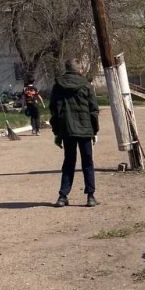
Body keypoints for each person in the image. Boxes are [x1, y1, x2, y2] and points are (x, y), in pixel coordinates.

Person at [49, 59, 100, 208]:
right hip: (85, 130)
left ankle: (63, 196)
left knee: (68, 162)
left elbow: (54, 110)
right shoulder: (86, 85)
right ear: (79, 69)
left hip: (67, 129)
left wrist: (57, 132)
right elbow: (93, 110)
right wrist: (94, 131)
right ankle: (90, 196)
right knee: (87, 162)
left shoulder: (58, 86)